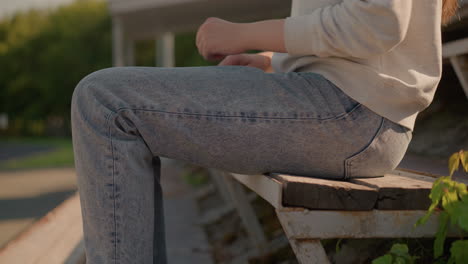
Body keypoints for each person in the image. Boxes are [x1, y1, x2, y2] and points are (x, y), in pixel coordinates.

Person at [70, 0, 458, 263]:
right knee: (108, 102)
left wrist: (245, 33)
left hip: (350, 115)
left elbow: (378, 21)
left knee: (105, 103)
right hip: (353, 111)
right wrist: (274, 62)